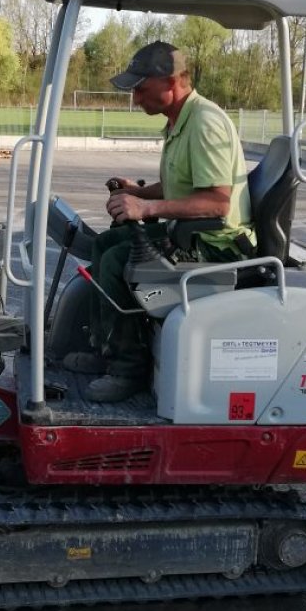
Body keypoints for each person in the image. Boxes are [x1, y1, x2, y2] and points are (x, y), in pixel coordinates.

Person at [65, 41, 254, 403]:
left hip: (217, 247)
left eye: (141, 88)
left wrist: (145, 209)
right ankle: (105, 347)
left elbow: (216, 202)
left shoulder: (204, 124)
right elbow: (178, 186)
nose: (136, 98)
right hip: (190, 234)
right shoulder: (180, 121)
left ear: (171, 82)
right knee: (106, 245)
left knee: (120, 260)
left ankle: (128, 368)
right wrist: (140, 192)